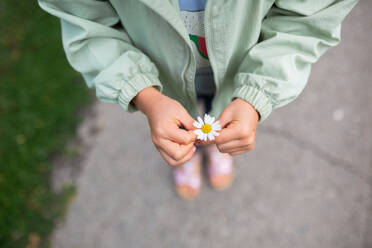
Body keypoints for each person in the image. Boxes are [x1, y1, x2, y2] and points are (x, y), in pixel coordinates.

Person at [38, 0, 358, 199]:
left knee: (218, 120)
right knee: (179, 126)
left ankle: (216, 147)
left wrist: (254, 96)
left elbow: (306, 18)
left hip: (236, 69)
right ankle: (187, 152)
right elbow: (87, 25)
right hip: (163, 77)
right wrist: (147, 97)